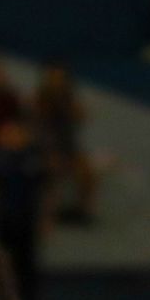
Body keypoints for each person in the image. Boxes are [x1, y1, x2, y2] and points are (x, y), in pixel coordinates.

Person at [0, 118, 46, 300]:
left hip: (26, 218)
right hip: (2, 217)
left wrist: (44, 218)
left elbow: (44, 191)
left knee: (26, 264)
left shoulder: (33, 159)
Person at [32, 64, 95, 225]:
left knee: (87, 171)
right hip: (43, 150)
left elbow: (80, 120)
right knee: (54, 169)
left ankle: (82, 210)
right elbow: (38, 133)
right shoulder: (39, 101)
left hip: (67, 150)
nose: (58, 83)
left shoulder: (69, 100)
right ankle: (48, 213)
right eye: (55, 79)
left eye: (61, 80)